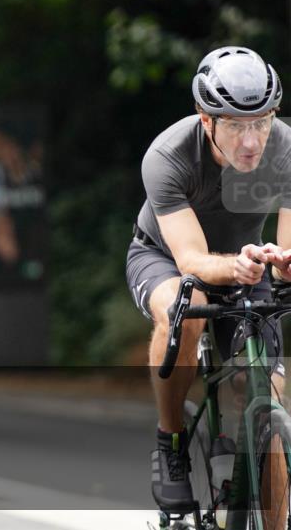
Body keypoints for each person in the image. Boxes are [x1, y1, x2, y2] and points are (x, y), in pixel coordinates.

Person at [126, 46, 291, 520]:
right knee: (187, 301)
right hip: (163, 260)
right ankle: (171, 438)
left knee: (269, 394)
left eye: (262, 122)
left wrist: (284, 263)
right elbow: (192, 260)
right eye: (237, 126)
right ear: (206, 120)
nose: (251, 141)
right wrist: (240, 266)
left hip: (249, 265)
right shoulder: (168, 156)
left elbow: (282, 263)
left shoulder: (285, 150)